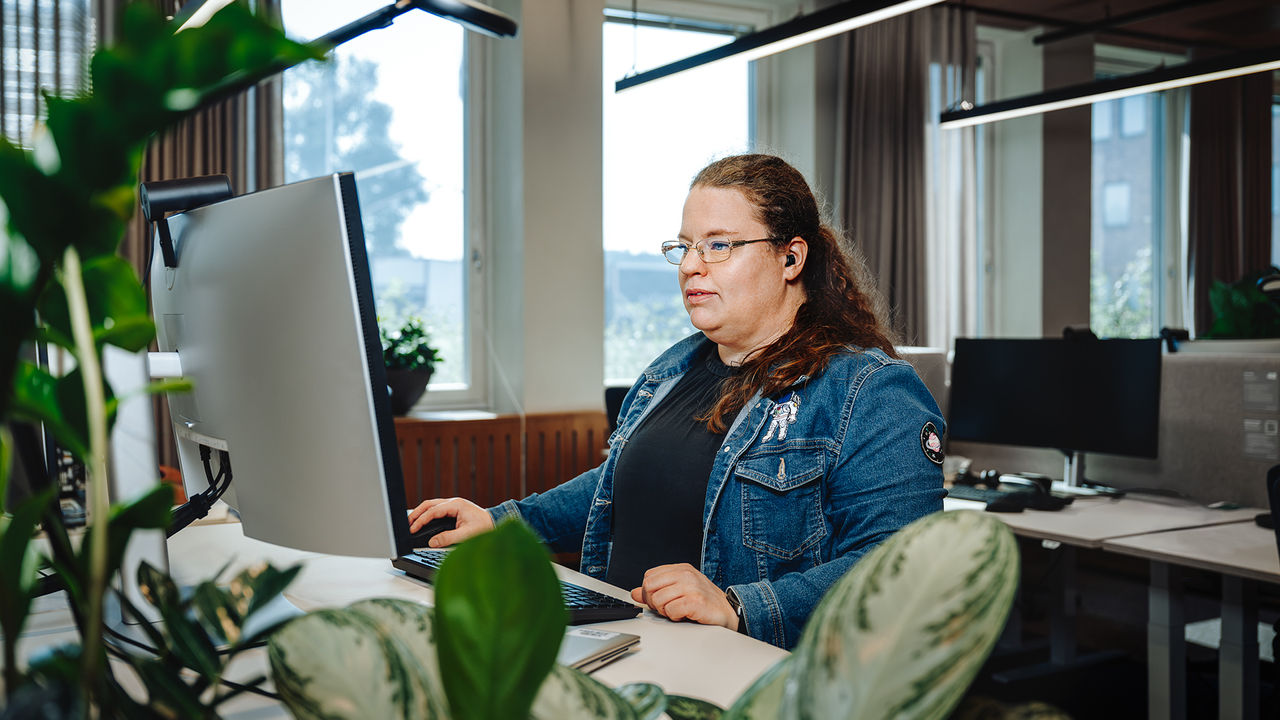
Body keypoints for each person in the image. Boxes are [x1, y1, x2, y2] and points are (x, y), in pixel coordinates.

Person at [409, 154, 945, 649]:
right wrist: (502, 523)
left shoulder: (869, 390)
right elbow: (619, 485)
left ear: (791, 257)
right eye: (685, 246)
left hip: (747, 682)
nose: (691, 265)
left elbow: (902, 568)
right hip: (621, 652)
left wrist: (738, 607)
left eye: (719, 245)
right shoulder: (674, 368)